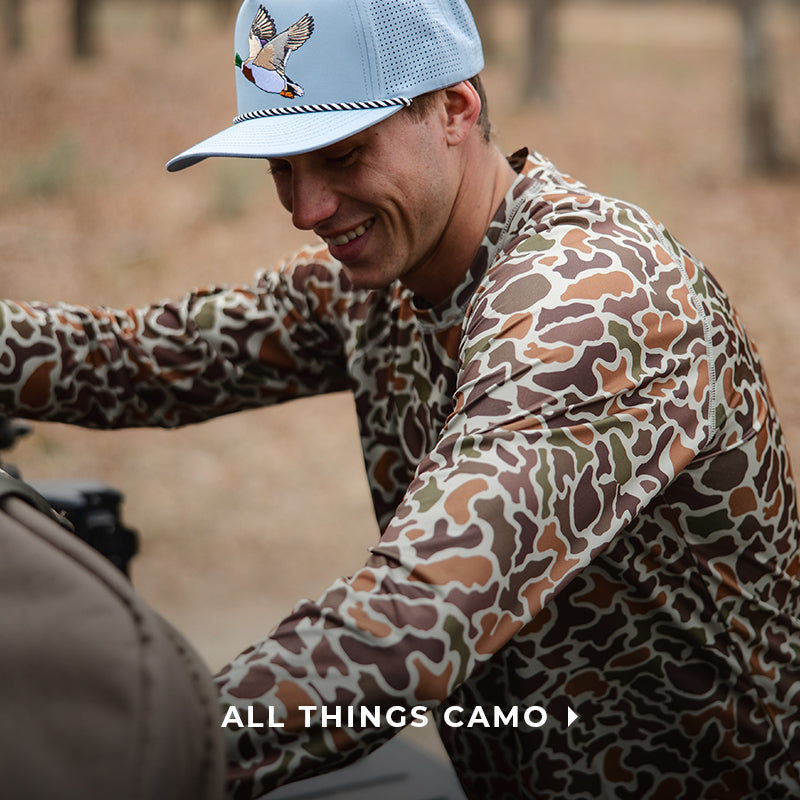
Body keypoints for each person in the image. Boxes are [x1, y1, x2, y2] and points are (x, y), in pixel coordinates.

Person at [2, 0, 799, 798]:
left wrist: (149, 746)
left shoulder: (594, 305)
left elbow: (414, 619)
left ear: (454, 109)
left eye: (343, 156)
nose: (307, 210)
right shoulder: (387, 282)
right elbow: (145, 358)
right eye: (282, 168)